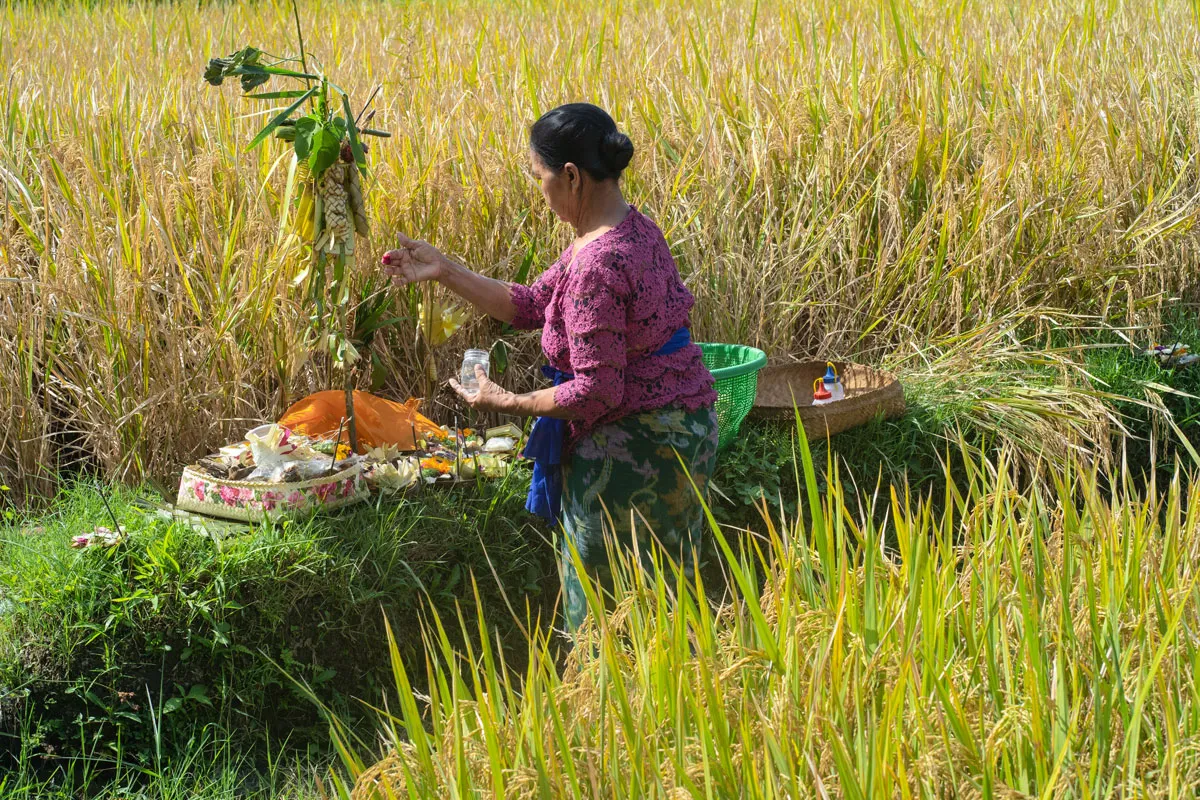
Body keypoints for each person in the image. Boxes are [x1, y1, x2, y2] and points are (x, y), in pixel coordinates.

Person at [381, 103, 717, 631]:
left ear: (572, 176)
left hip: (634, 455)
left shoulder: (596, 264)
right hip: (683, 430)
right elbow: (532, 303)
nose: (539, 191)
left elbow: (596, 392)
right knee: (666, 603)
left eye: (540, 177)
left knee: (611, 618)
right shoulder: (630, 230)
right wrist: (445, 270)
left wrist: (509, 402)